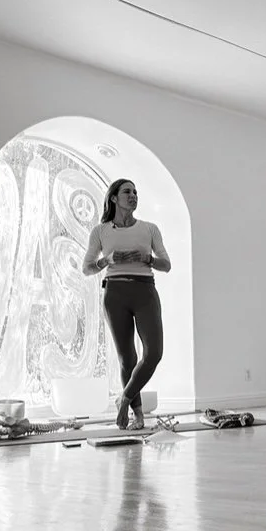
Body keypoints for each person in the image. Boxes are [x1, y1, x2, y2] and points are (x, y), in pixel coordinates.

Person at [82, 179, 171, 430]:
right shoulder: (100, 231)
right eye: (127, 192)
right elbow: (86, 268)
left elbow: (167, 264)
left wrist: (148, 258)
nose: (133, 195)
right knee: (127, 359)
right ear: (113, 198)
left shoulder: (149, 229)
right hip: (115, 293)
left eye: (135, 192)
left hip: (145, 292)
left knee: (153, 354)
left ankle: (125, 398)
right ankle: (138, 415)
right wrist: (106, 260)